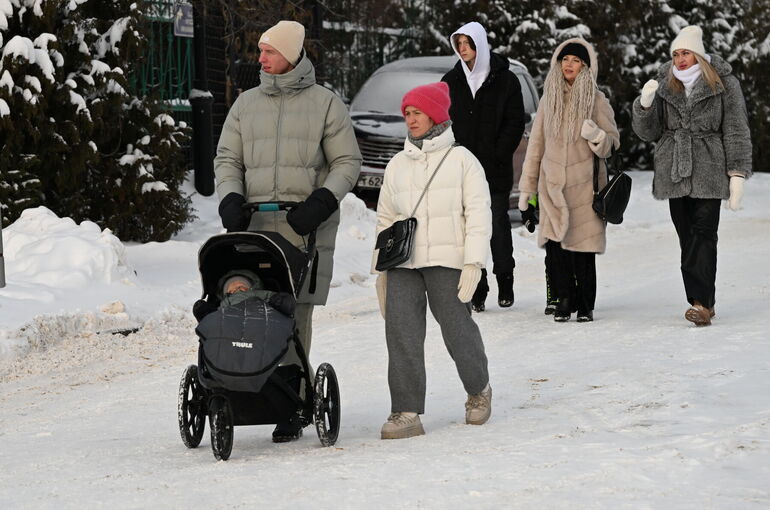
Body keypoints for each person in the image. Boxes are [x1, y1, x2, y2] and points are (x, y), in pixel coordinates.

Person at [214, 20, 362, 441]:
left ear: (291, 55)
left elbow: (347, 162)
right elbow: (227, 158)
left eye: (268, 51)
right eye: (260, 51)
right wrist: (230, 196)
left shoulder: (325, 104)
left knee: (293, 317)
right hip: (254, 226)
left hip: (303, 228)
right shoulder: (245, 104)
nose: (259, 58)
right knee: (245, 308)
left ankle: (292, 403)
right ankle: (242, 391)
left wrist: (321, 202)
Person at [373, 82, 493, 439]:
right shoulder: (397, 164)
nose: (410, 119)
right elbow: (385, 218)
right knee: (402, 335)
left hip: (447, 258)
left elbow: (478, 214)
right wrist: (380, 269)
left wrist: (473, 262)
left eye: (417, 112)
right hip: (403, 263)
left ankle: (479, 389)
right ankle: (406, 411)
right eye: (407, 113)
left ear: (436, 115)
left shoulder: (462, 161)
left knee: (458, 330)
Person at [632, 26, 751, 326]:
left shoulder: (724, 83)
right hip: (674, 169)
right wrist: (644, 105)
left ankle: (701, 304)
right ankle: (701, 301)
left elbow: (736, 128)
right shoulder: (664, 83)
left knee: (703, 233)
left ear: (697, 54)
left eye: (685, 53)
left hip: (710, 167)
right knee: (687, 237)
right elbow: (648, 133)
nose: (680, 59)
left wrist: (736, 173)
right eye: (676, 54)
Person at [518, 38, 620, 323]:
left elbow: (612, 144)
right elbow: (535, 148)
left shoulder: (596, 101)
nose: (569, 65)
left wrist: (596, 136)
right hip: (551, 187)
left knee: (582, 251)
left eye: (575, 60)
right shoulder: (548, 100)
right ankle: (564, 299)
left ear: (585, 66)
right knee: (556, 249)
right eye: (565, 60)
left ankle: (585, 303)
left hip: (585, 189)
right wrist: (527, 190)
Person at [441, 22, 526, 312]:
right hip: (461, 170)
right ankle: (478, 287)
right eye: (459, 43)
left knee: (497, 227)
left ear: (480, 44)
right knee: (467, 231)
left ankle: (505, 279)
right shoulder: (451, 80)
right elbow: (442, 121)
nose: (463, 48)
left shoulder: (506, 80)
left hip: (495, 169)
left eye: (468, 43)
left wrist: (498, 153)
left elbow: (516, 122)